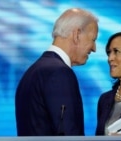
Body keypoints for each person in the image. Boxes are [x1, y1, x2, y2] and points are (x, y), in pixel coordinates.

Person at [15, 8, 98, 136]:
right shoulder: (59, 73)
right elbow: (68, 135)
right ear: (76, 35)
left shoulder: (32, 72)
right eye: (93, 39)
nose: (94, 48)